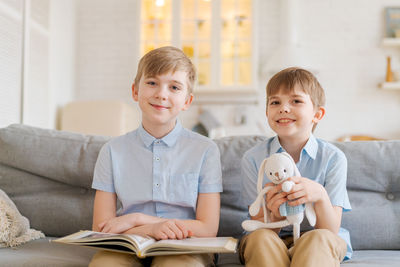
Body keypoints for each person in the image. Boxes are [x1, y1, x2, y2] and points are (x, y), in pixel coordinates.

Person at [89, 46, 222, 267]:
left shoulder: (206, 150)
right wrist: (150, 228)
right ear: (135, 91)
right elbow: (101, 227)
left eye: (174, 87)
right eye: (152, 83)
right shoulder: (112, 151)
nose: (162, 94)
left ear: (187, 101)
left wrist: (137, 219)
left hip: (185, 246)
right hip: (128, 243)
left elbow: (207, 228)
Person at [239, 67, 352, 267]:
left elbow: (330, 230)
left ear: (317, 114)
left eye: (296, 101)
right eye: (275, 102)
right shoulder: (253, 159)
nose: (283, 108)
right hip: (272, 237)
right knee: (260, 240)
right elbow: (259, 227)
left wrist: (320, 195)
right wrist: (274, 214)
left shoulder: (334, 159)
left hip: (318, 237)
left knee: (318, 240)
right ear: (267, 112)